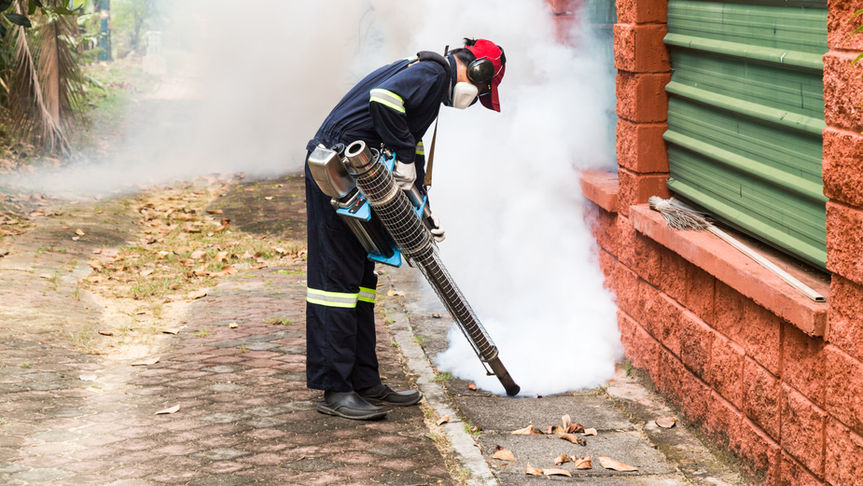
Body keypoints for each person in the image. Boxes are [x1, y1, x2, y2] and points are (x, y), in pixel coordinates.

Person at [304, 38, 506, 421]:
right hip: (336, 172)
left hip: (356, 178)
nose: (476, 96)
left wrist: (423, 206)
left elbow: (409, 147)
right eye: (482, 88)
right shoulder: (432, 72)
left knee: (361, 283)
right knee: (336, 283)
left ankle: (364, 381)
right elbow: (384, 100)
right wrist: (399, 155)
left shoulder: (428, 83)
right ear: (478, 70)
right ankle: (335, 388)